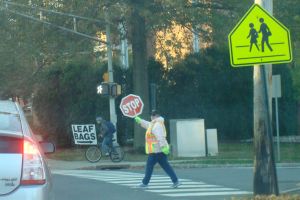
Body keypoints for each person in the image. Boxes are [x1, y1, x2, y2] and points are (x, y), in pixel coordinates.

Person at [134, 110, 181, 188]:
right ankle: (175, 181)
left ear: (155, 116)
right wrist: (140, 121)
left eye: (152, 115)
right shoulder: (155, 123)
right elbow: (148, 125)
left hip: (156, 150)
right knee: (166, 166)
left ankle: (145, 183)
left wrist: (163, 147)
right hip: (158, 150)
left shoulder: (157, 125)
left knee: (149, 167)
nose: (151, 117)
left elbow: (160, 137)